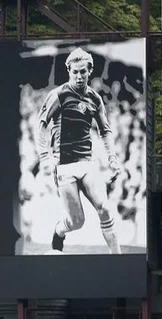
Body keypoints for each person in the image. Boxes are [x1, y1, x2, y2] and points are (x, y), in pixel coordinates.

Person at [36, 48, 122, 255]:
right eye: (75, 72)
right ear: (69, 71)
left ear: (89, 71)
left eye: (83, 71)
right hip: (64, 166)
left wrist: (112, 157)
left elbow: (105, 131)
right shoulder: (58, 95)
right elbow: (41, 125)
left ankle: (118, 258)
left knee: (105, 208)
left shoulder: (95, 99)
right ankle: (59, 230)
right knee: (77, 222)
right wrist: (45, 158)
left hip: (87, 163)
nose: (79, 76)